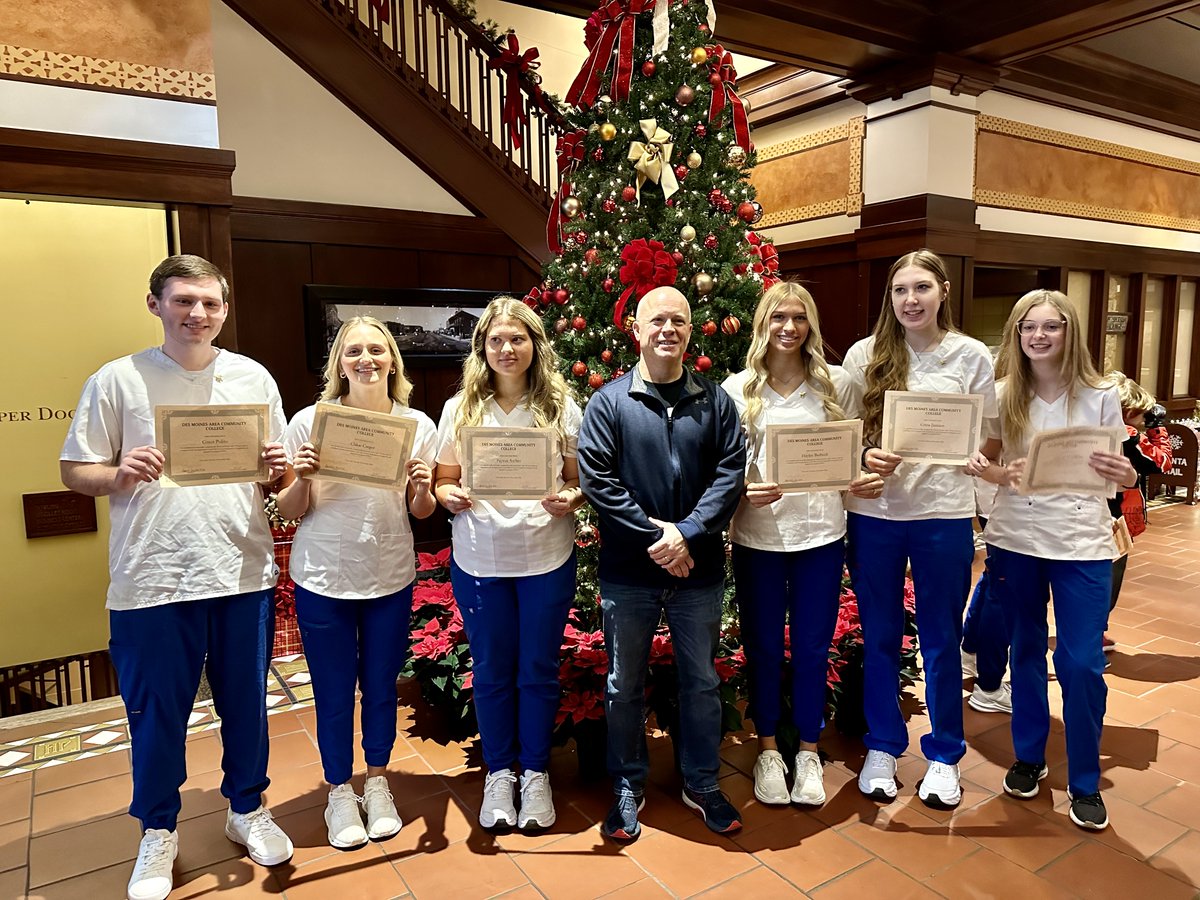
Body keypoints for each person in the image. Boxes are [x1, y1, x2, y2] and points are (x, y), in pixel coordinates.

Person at [60, 255, 294, 900]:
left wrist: (277, 467)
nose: (198, 314)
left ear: (225, 309)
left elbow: (275, 478)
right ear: (155, 304)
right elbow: (75, 470)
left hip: (240, 568)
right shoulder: (118, 380)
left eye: (211, 303)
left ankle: (246, 807)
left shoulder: (252, 377)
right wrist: (119, 474)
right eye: (184, 301)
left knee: (248, 703)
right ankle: (158, 830)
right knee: (157, 713)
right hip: (152, 577)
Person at [577, 286, 747, 841]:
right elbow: (599, 481)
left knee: (699, 682)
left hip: (697, 573)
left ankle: (701, 781)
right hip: (629, 575)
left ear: (691, 331)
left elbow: (730, 473)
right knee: (624, 683)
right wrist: (659, 538)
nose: (668, 330)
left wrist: (689, 535)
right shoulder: (609, 402)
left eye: (678, 320)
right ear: (637, 330)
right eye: (657, 321)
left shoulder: (716, 401)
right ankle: (627, 783)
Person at [971, 288, 1136, 831]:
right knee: (1024, 651)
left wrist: (1129, 477)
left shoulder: (1099, 394)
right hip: (1016, 538)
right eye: (1028, 328)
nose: (1038, 337)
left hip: (1081, 542)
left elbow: (1119, 473)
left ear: (1070, 333)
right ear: (1016, 336)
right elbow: (987, 463)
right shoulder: (1001, 394)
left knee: (1081, 663)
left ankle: (1085, 781)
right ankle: (1029, 757)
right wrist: (995, 473)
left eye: (1051, 327)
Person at [841, 249, 1000, 809]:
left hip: (943, 514)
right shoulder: (865, 356)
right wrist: (866, 453)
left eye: (922, 288)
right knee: (880, 636)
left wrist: (973, 458)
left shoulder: (971, 355)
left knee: (940, 638)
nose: (911, 300)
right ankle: (882, 746)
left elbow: (989, 437)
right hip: (877, 516)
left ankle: (943, 757)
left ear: (943, 292)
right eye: (901, 290)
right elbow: (847, 435)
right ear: (890, 297)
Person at [275, 317, 438, 848]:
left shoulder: (417, 424)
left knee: (381, 687)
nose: (365, 360)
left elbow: (421, 510)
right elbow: (291, 509)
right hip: (324, 573)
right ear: (338, 363)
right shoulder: (310, 422)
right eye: (353, 352)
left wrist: (420, 486)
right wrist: (302, 476)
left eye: (376, 350)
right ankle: (340, 789)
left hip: (389, 572)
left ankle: (378, 780)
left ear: (392, 360)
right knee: (331, 688)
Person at [721, 282, 884, 806]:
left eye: (798, 318)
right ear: (761, 325)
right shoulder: (735, 389)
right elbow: (724, 472)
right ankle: (769, 749)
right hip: (757, 537)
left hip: (820, 536)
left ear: (810, 325)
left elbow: (853, 455)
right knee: (764, 647)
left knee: (814, 648)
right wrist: (745, 489)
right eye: (777, 318)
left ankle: (809, 751)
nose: (788, 328)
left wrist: (855, 477)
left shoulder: (836, 385)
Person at [434, 297, 584, 831]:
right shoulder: (460, 409)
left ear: (535, 345)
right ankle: (501, 773)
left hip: (546, 554)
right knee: (494, 671)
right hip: (481, 558)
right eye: (496, 339)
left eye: (517, 338)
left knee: (539, 670)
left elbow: (576, 478)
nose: (506, 348)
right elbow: (443, 478)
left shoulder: (562, 405)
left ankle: (536, 774)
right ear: (482, 348)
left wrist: (572, 498)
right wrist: (450, 494)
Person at [1103, 371, 1172, 650]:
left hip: (1085, 510)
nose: (1143, 419)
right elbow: (1163, 462)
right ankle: (1093, 633)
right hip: (1114, 515)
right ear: (1128, 410)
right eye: (1141, 414)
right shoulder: (1129, 435)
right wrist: (1158, 428)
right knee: (1108, 578)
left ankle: (1090, 630)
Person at [960, 477, 1013, 715]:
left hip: (996, 498)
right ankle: (989, 687)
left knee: (995, 576)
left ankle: (969, 652)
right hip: (1008, 501)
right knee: (1003, 587)